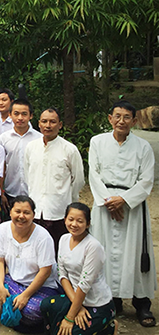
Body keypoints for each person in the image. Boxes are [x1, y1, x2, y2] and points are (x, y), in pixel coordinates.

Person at [88, 101, 156, 327]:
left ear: (134, 121)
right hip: (104, 204)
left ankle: (141, 302)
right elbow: (94, 174)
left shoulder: (143, 147)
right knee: (104, 251)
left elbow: (147, 179)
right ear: (110, 118)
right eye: (117, 116)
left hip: (131, 207)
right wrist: (110, 202)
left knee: (136, 252)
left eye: (127, 117)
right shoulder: (97, 142)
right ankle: (112, 300)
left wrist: (124, 201)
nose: (121, 121)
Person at [40, 203, 118, 335]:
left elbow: (84, 284)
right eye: (70, 219)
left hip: (96, 302)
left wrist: (70, 317)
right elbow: (62, 274)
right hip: (75, 298)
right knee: (46, 305)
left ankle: (109, 328)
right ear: (65, 220)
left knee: (73, 332)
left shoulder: (93, 247)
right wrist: (78, 307)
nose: (74, 224)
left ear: (88, 224)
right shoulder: (64, 239)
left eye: (80, 221)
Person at [0, 196, 60, 332]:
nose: (21, 216)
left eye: (26, 213)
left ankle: (26, 321)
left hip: (41, 286)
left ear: (33, 215)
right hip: (15, 280)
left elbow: (45, 271)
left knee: (32, 310)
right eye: (17, 211)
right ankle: (15, 314)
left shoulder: (43, 237)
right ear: (10, 212)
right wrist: (0, 286)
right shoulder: (2, 229)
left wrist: (26, 295)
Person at [24, 107, 84, 253]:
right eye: (44, 121)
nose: (48, 125)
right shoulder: (31, 147)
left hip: (59, 210)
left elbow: (78, 180)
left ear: (60, 125)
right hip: (36, 210)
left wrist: (67, 199)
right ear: (39, 123)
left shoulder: (69, 149)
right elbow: (27, 176)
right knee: (35, 251)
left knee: (58, 251)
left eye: (52, 122)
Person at [0, 99, 41, 222]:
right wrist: (1, 192)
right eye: (16, 114)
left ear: (31, 116)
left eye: (24, 114)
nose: (20, 118)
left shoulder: (39, 138)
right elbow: (1, 167)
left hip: (33, 192)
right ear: (10, 115)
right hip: (11, 191)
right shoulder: (4, 138)